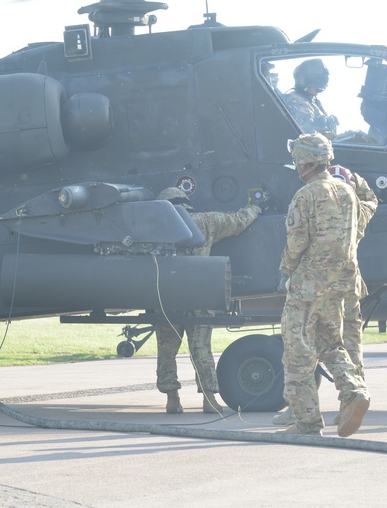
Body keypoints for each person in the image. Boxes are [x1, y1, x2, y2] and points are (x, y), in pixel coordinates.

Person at [277, 133, 371, 437]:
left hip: (307, 285)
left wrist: (286, 270)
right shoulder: (347, 192)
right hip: (340, 284)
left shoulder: (305, 195)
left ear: (304, 162)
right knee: (331, 344)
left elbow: (297, 241)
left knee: (296, 349)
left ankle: (306, 422)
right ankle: (354, 391)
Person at [155, 186, 263, 414]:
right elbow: (238, 221)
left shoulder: (156, 226)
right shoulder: (206, 221)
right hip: (199, 296)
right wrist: (256, 206)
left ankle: (172, 399)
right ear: (186, 202)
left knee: (166, 349)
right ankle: (209, 399)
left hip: (166, 296)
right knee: (201, 349)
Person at [282, 58, 339, 138]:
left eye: (323, 80)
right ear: (306, 81)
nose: (321, 84)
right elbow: (304, 134)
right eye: (317, 80)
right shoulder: (296, 101)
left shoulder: (313, 101)